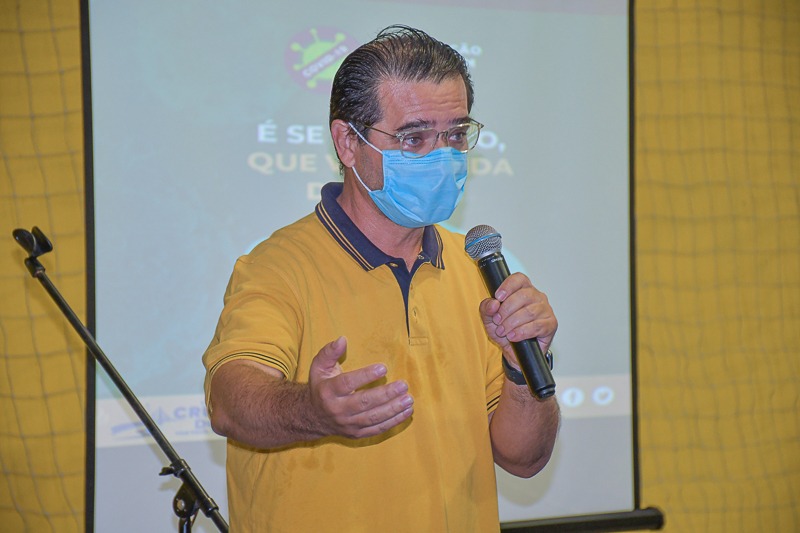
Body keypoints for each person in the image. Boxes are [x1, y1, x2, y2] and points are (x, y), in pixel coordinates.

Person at [202, 24, 560, 532]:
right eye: (414, 138)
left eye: (456, 134)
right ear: (348, 142)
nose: (442, 156)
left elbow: (524, 459)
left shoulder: (477, 270)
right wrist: (313, 410)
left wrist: (522, 369)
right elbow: (229, 403)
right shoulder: (278, 266)